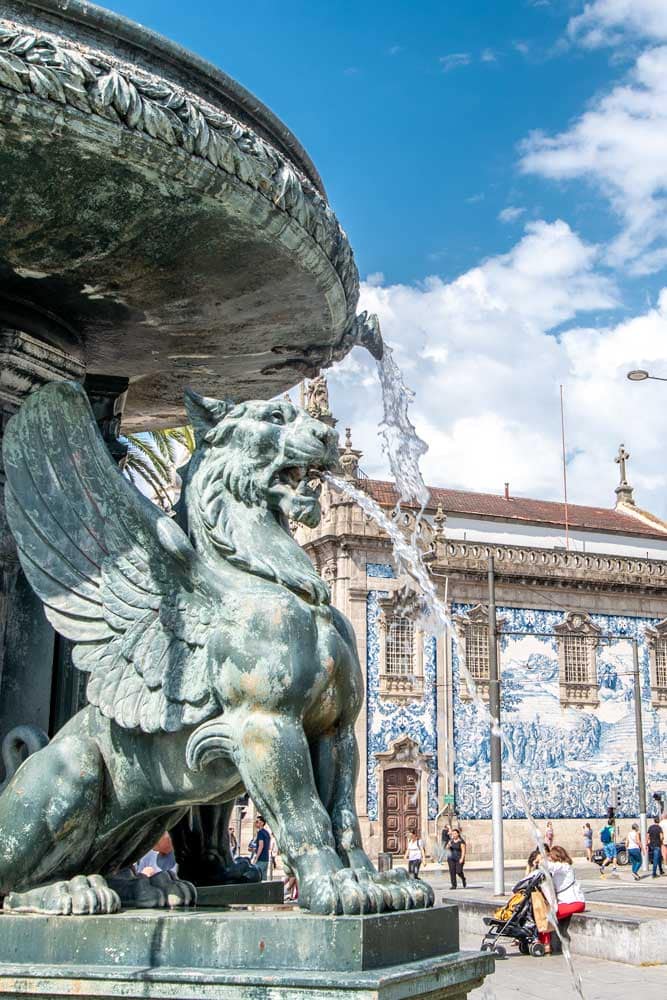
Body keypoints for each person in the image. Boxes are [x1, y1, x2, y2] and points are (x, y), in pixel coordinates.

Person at [538, 845, 586, 953]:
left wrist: (541, 859)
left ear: (557, 857)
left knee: (547, 916)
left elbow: (548, 866)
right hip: (566, 903)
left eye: (551, 856)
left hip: (574, 902)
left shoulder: (565, 867)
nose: (549, 858)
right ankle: (544, 942)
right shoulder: (560, 869)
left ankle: (545, 944)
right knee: (544, 913)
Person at [249, 815, 271, 879]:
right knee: (264, 879)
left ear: (262, 823)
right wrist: (254, 849)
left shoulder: (260, 833)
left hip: (260, 859)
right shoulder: (267, 833)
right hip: (266, 858)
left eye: (257, 822)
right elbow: (267, 847)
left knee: (258, 878)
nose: (255, 823)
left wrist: (256, 858)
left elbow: (261, 846)